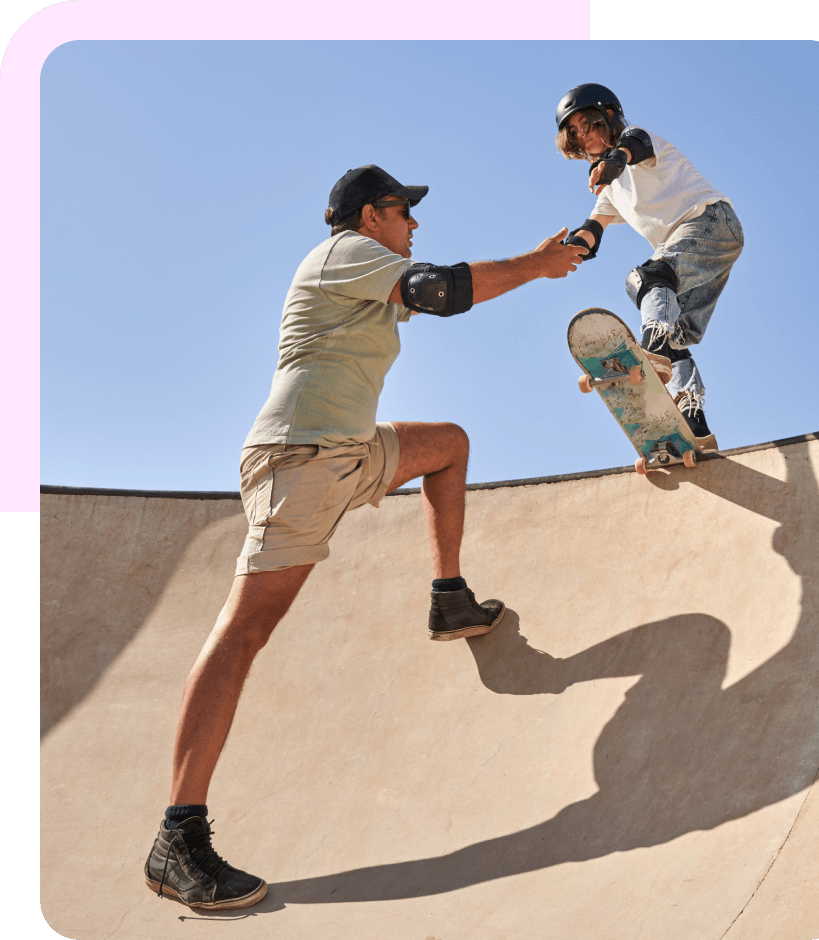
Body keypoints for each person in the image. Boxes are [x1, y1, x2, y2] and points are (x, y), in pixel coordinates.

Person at [143, 164, 588, 910]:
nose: (414, 225)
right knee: (246, 631)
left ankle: (449, 597)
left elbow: (434, 290)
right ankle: (177, 838)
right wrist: (539, 265)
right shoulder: (343, 253)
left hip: (348, 452)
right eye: (404, 212)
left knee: (447, 444)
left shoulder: (367, 274)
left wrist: (533, 266)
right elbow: (443, 291)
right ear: (371, 215)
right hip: (298, 461)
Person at [553, 83, 744, 451]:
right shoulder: (609, 190)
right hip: (705, 255)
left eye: (587, 125)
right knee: (674, 337)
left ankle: (651, 346)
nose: (583, 137)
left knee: (646, 279)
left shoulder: (637, 140)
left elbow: (633, 146)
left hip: (710, 221)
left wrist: (615, 161)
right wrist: (568, 250)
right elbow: (593, 229)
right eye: (574, 133)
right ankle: (693, 419)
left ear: (608, 115)